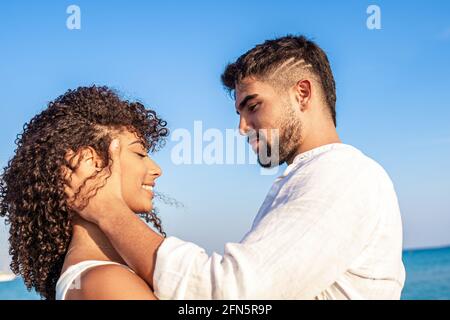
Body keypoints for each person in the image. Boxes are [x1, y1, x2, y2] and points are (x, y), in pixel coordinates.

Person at [73, 35, 406, 299]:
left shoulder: (342, 175)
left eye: (253, 106)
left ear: (302, 93)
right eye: (240, 113)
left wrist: (108, 211)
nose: (242, 128)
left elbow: (235, 293)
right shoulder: (314, 176)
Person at [0, 85, 168, 300]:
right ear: (89, 162)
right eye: (139, 153)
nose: (156, 170)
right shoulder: (107, 281)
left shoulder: (95, 276)